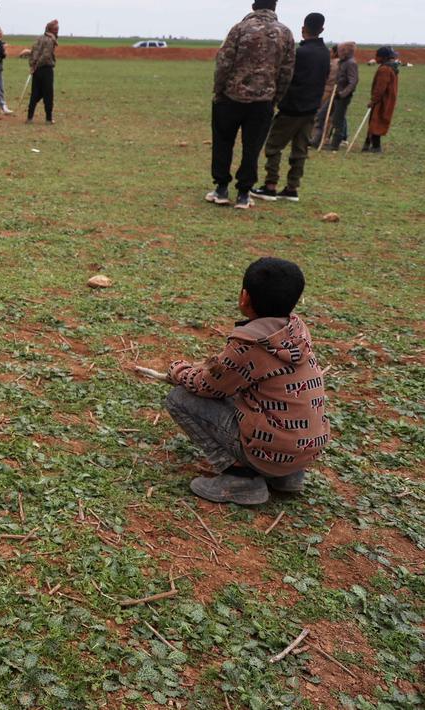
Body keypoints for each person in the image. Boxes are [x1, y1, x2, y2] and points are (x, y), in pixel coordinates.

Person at [163, 257, 329, 506]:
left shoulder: (250, 346)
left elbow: (207, 385)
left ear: (244, 297)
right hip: (306, 450)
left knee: (179, 398)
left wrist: (178, 370)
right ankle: (286, 476)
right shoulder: (296, 334)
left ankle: (241, 476)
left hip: (271, 452)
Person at [206, 0, 296, 210]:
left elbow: (224, 62)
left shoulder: (240, 28)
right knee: (252, 148)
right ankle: (244, 193)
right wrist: (275, 97)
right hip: (263, 101)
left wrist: (219, 90)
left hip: (230, 98)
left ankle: (221, 188)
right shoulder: (285, 33)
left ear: (254, 6)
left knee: (222, 142)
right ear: (274, 7)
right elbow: (287, 70)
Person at [251, 12, 330, 203]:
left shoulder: (299, 53)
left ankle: (270, 186)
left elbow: (285, 76)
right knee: (300, 149)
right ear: (322, 29)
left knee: (273, 146)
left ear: (303, 29)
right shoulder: (325, 53)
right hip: (311, 110)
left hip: (291, 108)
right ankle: (292, 188)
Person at [321, 42, 359, 150]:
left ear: (345, 51)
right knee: (321, 116)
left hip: (342, 97)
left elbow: (353, 81)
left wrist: (342, 94)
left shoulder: (351, 63)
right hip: (335, 94)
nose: (338, 52)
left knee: (338, 120)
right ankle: (317, 140)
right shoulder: (342, 62)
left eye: (340, 50)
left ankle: (335, 144)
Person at [362, 46, 400, 154]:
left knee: (376, 121)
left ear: (383, 57)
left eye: (377, 56)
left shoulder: (385, 69)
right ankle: (368, 143)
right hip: (386, 99)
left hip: (382, 100)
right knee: (376, 120)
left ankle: (376, 146)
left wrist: (373, 100)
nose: (375, 58)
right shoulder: (391, 67)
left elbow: (380, 88)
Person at [27, 20, 58, 124]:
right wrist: (36, 65)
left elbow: (33, 52)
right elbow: (46, 55)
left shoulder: (39, 38)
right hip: (45, 69)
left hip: (37, 70)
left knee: (35, 94)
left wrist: (32, 65)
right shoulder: (50, 40)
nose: (57, 30)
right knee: (48, 94)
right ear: (50, 29)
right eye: (56, 29)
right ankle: (48, 119)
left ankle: (29, 117)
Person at [308, 44, 339, 148]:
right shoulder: (341, 63)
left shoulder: (332, 64)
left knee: (320, 114)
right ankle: (325, 138)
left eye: (331, 52)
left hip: (326, 91)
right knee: (329, 116)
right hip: (334, 92)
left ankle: (316, 137)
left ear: (335, 53)